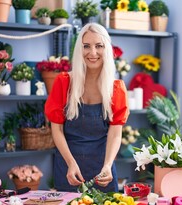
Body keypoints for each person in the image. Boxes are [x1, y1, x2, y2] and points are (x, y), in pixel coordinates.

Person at [45, 23, 129, 193]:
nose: (92, 52)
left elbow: (115, 133)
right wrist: (71, 163)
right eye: (86, 46)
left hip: (102, 170)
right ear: (79, 49)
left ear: (106, 49)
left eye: (99, 46)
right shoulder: (64, 83)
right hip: (69, 168)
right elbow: (57, 130)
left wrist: (108, 165)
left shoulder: (116, 88)